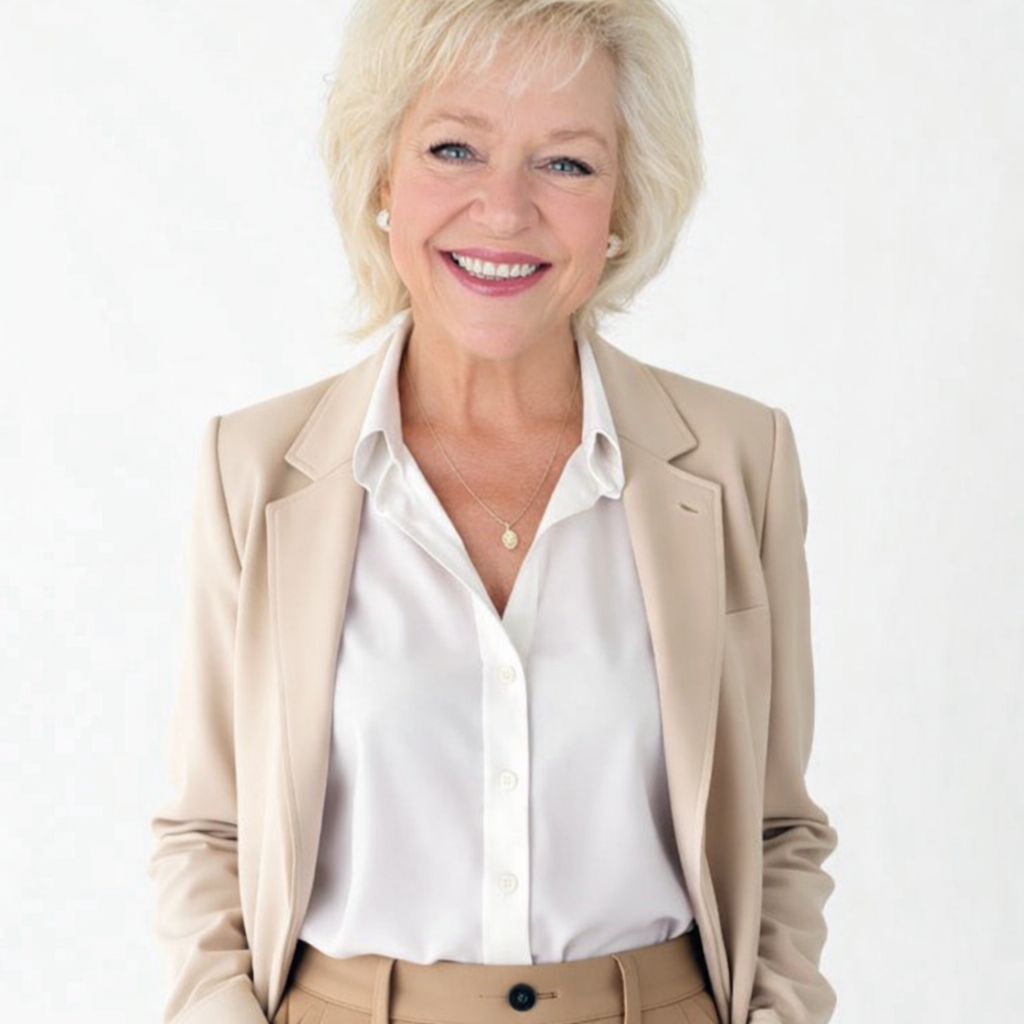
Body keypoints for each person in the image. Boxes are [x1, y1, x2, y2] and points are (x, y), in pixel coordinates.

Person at [149, 1, 837, 1023]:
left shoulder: (739, 461)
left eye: (566, 163)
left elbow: (776, 828)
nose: (504, 211)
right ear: (382, 176)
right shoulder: (257, 469)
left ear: (625, 202)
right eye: (454, 148)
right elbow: (209, 830)